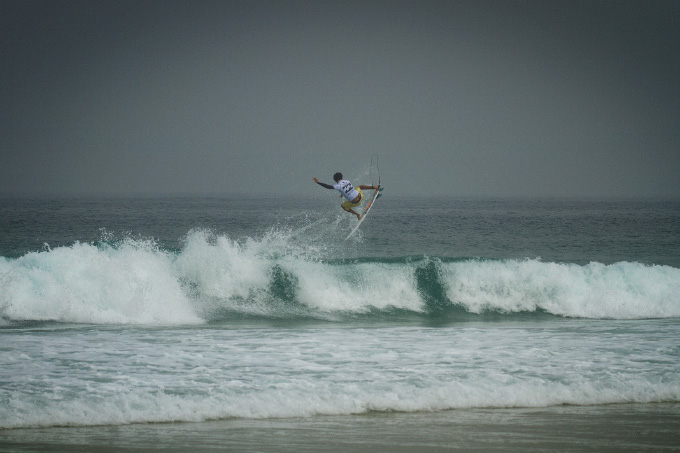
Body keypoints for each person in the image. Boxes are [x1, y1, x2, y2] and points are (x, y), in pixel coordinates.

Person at [313, 172, 379, 220]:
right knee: (359, 187)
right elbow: (348, 188)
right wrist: (342, 194)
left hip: (356, 202)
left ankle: (357, 214)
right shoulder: (347, 181)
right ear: (342, 177)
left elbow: (328, 186)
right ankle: (375, 187)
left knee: (343, 206)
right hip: (361, 196)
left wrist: (318, 182)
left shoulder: (338, 185)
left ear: (335, 180)